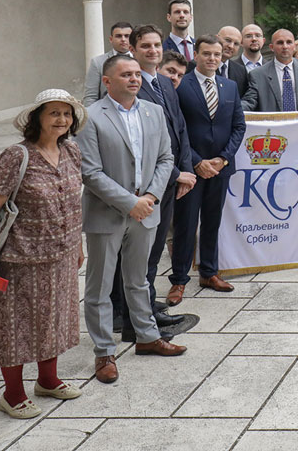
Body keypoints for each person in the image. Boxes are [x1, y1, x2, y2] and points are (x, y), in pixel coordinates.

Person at [0, 89, 87, 418]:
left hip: (61, 257)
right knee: (16, 327)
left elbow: (73, 203)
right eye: (54, 113)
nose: (62, 120)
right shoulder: (17, 156)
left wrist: (77, 245)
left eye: (67, 113)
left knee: (55, 321)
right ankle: (12, 395)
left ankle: (48, 380)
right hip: (19, 261)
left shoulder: (71, 151)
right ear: (37, 118)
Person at [78, 56, 185, 384]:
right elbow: (90, 172)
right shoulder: (91, 117)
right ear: (107, 82)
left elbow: (166, 158)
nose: (135, 79)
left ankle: (147, 337)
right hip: (107, 213)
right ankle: (104, 351)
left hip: (147, 210)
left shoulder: (154, 111)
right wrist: (130, 203)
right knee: (100, 286)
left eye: (137, 74)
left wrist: (150, 197)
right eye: (126, 75)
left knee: (139, 280)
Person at [169, 35, 246, 306]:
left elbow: (238, 126)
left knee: (213, 221)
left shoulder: (230, 86)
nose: (212, 58)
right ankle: (179, 279)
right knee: (186, 224)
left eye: (217, 54)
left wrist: (223, 159)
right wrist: (197, 161)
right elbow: (177, 130)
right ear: (196, 55)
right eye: (206, 54)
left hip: (220, 168)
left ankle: (209, 273)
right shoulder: (181, 86)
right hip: (192, 169)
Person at [127, 24, 195, 334]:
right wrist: (174, 172)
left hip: (171, 179)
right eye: (145, 46)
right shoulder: (132, 85)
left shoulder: (166, 83)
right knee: (141, 252)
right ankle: (135, 312)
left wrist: (185, 171)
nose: (153, 50)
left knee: (155, 250)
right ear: (133, 50)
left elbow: (179, 128)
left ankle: (148, 303)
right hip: (148, 183)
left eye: (156, 45)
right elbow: (140, 141)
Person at [243, 29, 298, 112]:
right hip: (273, 120)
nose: (285, 46)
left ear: (294, 46)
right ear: (271, 47)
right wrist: (235, 109)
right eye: (280, 43)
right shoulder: (258, 74)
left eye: (289, 42)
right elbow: (250, 101)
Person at [83, 21, 133, 105]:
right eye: (118, 36)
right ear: (111, 39)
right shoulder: (98, 62)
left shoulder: (140, 60)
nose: (123, 39)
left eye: (127, 36)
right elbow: (90, 97)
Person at [216, 26, 249, 97]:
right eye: (228, 40)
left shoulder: (241, 71)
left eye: (236, 44)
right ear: (216, 39)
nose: (231, 46)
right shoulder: (199, 65)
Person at [163, 0, 195, 66]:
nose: (182, 15)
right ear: (169, 17)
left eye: (185, 12)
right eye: (177, 12)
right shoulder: (162, 48)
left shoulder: (199, 46)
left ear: (191, 17)